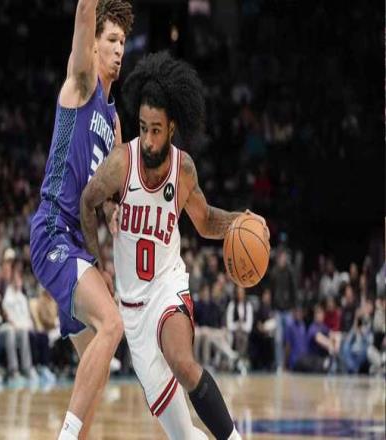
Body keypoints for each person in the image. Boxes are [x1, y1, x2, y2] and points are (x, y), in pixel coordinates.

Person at [81, 52, 268, 440]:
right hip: (132, 310)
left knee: (182, 362)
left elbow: (205, 221)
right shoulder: (121, 163)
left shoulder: (183, 170)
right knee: (184, 436)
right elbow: (88, 201)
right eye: (143, 128)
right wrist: (96, 267)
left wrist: (241, 220)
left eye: (156, 130)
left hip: (168, 288)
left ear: (171, 128)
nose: (148, 139)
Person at [29, 2, 133, 437]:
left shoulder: (114, 121)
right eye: (111, 40)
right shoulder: (82, 82)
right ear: (92, 46)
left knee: (98, 364)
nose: (119, 49)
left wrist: (114, 211)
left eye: (123, 42)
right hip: (53, 229)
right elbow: (85, 10)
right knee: (112, 324)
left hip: (77, 243)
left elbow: (106, 194)